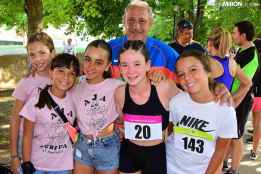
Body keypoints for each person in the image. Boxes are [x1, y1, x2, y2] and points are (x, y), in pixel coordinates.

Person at [166, 50, 238, 174]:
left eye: (193, 69)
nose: (187, 77)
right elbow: (171, 131)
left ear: (208, 72)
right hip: (170, 167)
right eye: (181, 74)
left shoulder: (225, 110)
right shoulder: (176, 102)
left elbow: (220, 151)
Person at [115, 40, 179, 174]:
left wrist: (218, 88)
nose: (131, 71)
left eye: (137, 64)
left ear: (148, 65)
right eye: (125, 65)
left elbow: (191, 102)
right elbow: (121, 120)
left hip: (156, 155)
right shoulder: (120, 93)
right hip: (129, 152)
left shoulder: (164, 87)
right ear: (119, 68)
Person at [20, 53, 80, 174]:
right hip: (37, 165)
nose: (65, 77)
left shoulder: (75, 99)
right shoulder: (36, 100)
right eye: (60, 71)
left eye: (71, 73)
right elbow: (27, 136)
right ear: (51, 72)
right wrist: (26, 163)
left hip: (62, 166)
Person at [72, 40, 123, 174]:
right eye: (88, 59)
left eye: (98, 62)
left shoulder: (117, 85)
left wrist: (156, 77)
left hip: (108, 145)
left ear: (107, 66)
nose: (90, 66)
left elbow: (140, 86)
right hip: (82, 144)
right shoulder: (75, 87)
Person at [9, 32, 55, 174]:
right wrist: (14, 156)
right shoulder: (26, 82)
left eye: (42, 53)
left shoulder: (62, 79)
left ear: (52, 53)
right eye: (32, 54)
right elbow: (15, 119)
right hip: (30, 148)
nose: (37, 59)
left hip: (56, 148)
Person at [109, 0, 179, 80]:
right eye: (131, 20)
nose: (136, 27)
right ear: (124, 22)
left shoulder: (166, 52)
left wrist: (165, 76)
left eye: (142, 21)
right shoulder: (109, 49)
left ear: (150, 23)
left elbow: (186, 78)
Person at [227, 21, 259, 174]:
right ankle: (226, 163)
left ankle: (234, 169)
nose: (233, 35)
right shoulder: (242, 50)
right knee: (230, 133)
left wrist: (234, 100)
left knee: (237, 135)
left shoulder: (252, 54)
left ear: (243, 35)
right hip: (234, 98)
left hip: (242, 99)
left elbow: (246, 83)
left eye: (234, 33)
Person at [207, 27, 252, 107]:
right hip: (223, 110)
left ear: (211, 43)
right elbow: (248, 83)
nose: (208, 48)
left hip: (207, 110)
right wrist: (233, 102)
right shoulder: (232, 63)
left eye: (209, 44)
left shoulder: (208, 62)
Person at [249, 37, 261, 160]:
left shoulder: (252, 60)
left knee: (239, 124)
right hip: (260, 97)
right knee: (257, 123)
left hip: (250, 95)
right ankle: (254, 151)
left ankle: (228, 157)